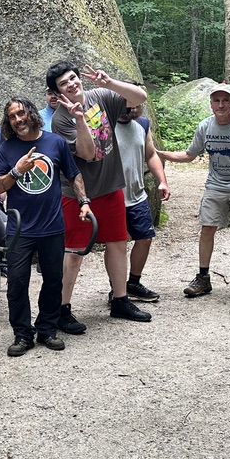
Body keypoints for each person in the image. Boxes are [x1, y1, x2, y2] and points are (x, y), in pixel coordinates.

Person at [49, 60, 152, 326]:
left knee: (118, 243)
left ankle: (120, 300)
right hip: (77, 194)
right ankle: (62, 309)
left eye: (73, 78)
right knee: (74, 252)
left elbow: (139, 98)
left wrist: (110, 83)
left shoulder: (101, 96)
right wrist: (79, 118)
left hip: (110, 186)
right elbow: (88, 153)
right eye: (63, 84)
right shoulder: (61, 120)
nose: (71, 84)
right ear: (58, 92)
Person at [0, 96, 94, 357]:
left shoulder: (54, 142)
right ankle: (22, 334)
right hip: (19, 229)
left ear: (31, 113)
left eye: (21, 113)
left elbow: (73, 174)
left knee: (53, 280)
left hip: (52, 226)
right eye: (12, 117)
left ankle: (47, 329)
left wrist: (84, 202)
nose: (18, 120)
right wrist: (17, 171)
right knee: (16, 282)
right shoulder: (6, 149)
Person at [157, 83, 230, 302]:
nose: (221, 105)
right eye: (216, 101)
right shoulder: (205, 126)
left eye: (226, 100)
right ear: (211, 104)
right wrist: (158, 153)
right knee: (207, 228)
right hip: (216, 185)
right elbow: (189, 155)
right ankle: (203, 278)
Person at [112, 104, 170, 302]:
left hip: (137, 194)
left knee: (145, 238)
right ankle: (116, 288)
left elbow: (150, 154)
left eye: (137, 105)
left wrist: (162, 181)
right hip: (113, 196)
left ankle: (133, 284)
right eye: (129, 105)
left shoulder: (143, 124)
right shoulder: (105, 124)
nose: (133, 109)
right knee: (116, 245)